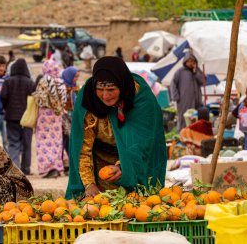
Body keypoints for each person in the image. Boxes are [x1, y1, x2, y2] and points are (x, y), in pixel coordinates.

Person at [65, 56, 167, 199]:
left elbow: (143, 142)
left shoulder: (140, 97)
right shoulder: (88, 99)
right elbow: (82, 145)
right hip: (98, 165)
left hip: (135, 163)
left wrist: (122, 166)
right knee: (99, 208)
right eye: (100, 89)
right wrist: (89, 184)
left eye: (111, 89)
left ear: (122, 85)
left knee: (138, 205)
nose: (105, 96)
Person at [0, 59, 35, 175]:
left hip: (11, 117)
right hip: (27, 119)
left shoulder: (8, 81)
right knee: (27, 144)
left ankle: (15, 170)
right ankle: (26, 169)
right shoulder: (30, 83)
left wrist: (6, 107)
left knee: (13, 143)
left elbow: (3, 96)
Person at [33, 60, 66, 178]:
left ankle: (48, 168)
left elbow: (39, 99)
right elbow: (64, 101)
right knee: (56, 142)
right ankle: (56, 167)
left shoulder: (44, 81)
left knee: (43, 142)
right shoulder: (61, 82)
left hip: (44, 116)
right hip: (57, 116)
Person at [170, 53, 203, 132]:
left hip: (196, 101)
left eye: (192, 61)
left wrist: (195, 72)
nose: (190, 63)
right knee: (183, 118)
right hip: (184, 100)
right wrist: (176, 96)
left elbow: (202, 81)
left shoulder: (197, 71)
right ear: (185, 62)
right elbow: (173, 83)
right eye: (189, 61)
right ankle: (181, 135)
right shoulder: (180, 71)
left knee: (195, 119)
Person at [61, 66, 80, 172]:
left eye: (77, 76)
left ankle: (71, 164)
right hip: (64, 118)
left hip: (73, 118)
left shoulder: (76, 88)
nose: (76, 79)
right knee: (65, 140)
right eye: (74, 77)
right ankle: (65, 164)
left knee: (72, 140)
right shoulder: (63, 88)